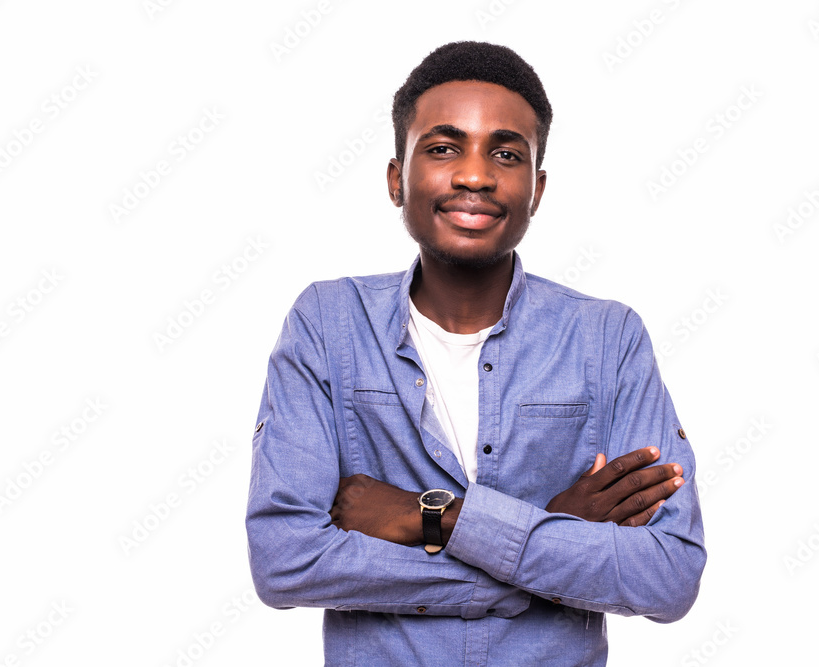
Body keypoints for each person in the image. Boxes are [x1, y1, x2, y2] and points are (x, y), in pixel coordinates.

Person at [246, 41, 706, 666]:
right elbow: (286, 560)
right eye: (442, 148)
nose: (475, 174)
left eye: (506, 153)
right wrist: (546, 537)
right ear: (395, 177)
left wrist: (437, 519)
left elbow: (668, 575)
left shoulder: (607, 338)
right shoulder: (329, 325)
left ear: (536, 188)